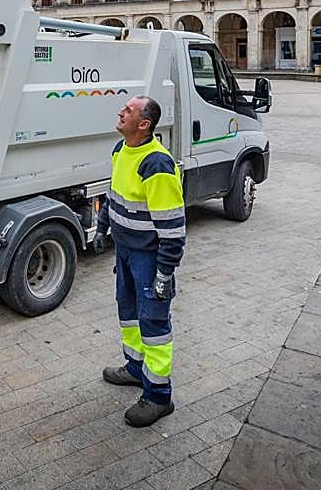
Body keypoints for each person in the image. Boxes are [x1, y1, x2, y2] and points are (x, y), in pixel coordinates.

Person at [101, 95, 186, 428]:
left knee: (153, 325)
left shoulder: (156, 164)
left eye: (129, 111)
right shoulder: (120, 151)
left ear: (144, 124)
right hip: (125, 252)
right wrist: (104, 227)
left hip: (149, 258)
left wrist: (165, 271)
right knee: (130, 314)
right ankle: (136, 369)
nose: (121, 112)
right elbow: (114, 193)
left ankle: (158, 396)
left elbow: (173, 227)